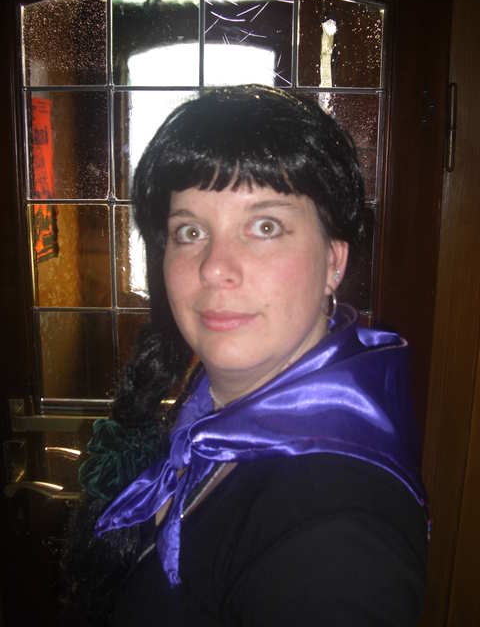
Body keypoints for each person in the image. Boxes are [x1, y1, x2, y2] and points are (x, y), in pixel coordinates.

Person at [63, 85, 428, 626]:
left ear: (334, 261)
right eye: (190, 230)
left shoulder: (337, 541)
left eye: (264, 226)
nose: (214, 266)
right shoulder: (209, 406)